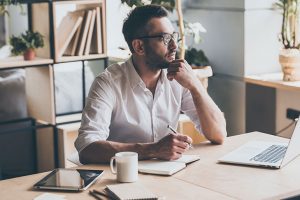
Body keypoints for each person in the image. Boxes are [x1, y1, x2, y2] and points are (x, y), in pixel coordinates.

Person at [75, 4, 227, 164]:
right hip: (123, 178)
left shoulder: (180, 78)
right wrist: (153, 149)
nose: (174, 46)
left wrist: (195, 86)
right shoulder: (107, 83)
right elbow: (87, 149)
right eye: (165, 38)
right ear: (139, 46)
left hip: (170, 174)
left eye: (174, 37)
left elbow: (219, 134)